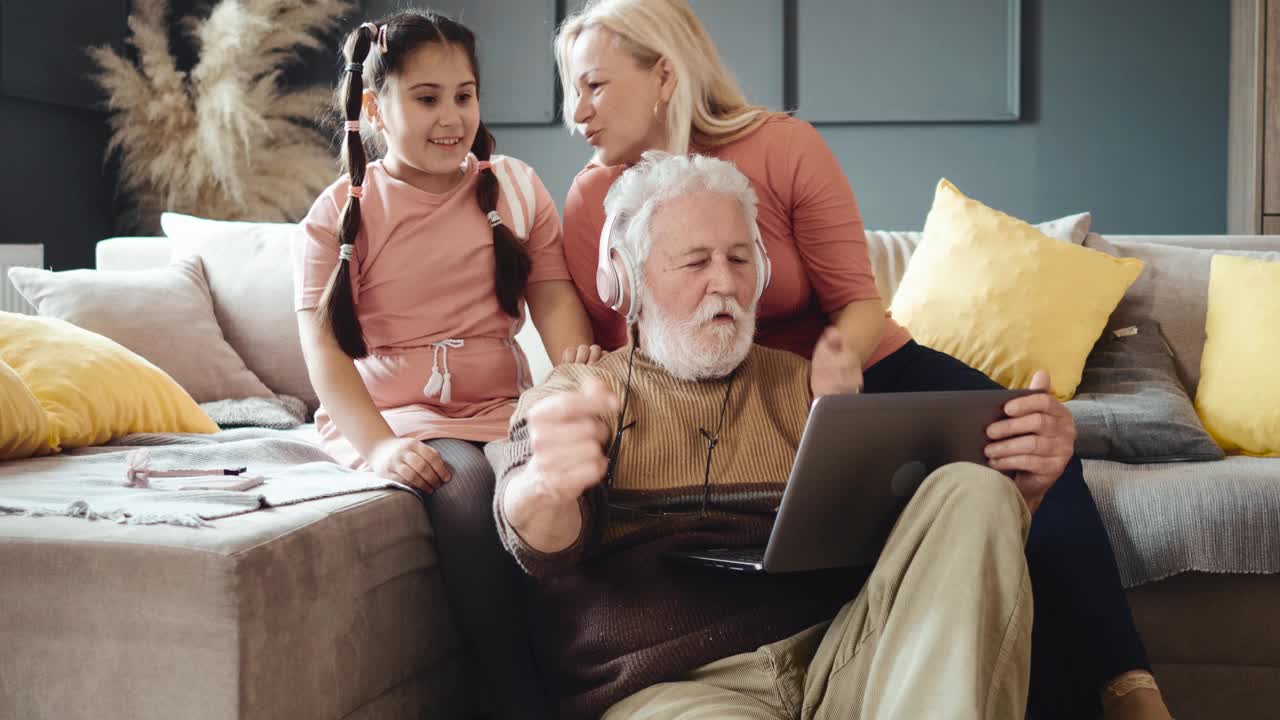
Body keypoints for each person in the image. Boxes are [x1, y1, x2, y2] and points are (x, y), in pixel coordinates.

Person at [552, 2, 1172, 718]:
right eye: (571, 89)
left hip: (859, 367)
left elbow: (858, 296)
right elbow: (624, 337)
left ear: (663, 74)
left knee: (1025, 448)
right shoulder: (597, 199)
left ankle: (1128, 686)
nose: (576, 112)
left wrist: (838, 358)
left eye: (593, 85)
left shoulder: (781, 146)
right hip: (748, 395)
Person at [488, 152, 1036, 719]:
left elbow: (918, 566)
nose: (725, 282)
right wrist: (547, 485)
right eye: (695, 262)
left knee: (975, 489)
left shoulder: (808, 388)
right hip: (679, 692)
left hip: (840, 668)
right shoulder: (574, 394)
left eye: (740, 258)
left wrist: (1022, 489)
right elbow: (533, 538)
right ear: (627, 280)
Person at [292, 12, 590, 719]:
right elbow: (323, 350)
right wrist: (381, 445)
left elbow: (553, 298)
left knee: (548, 483)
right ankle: (512, 692)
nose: (451, 116)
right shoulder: (339, 213)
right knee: (465, 488)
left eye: (465, 95)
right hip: (399, 414)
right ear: (376, 107)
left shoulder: (513, 188)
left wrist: (577, 384)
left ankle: (573, 667)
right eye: (427, 98)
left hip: (501, 406)